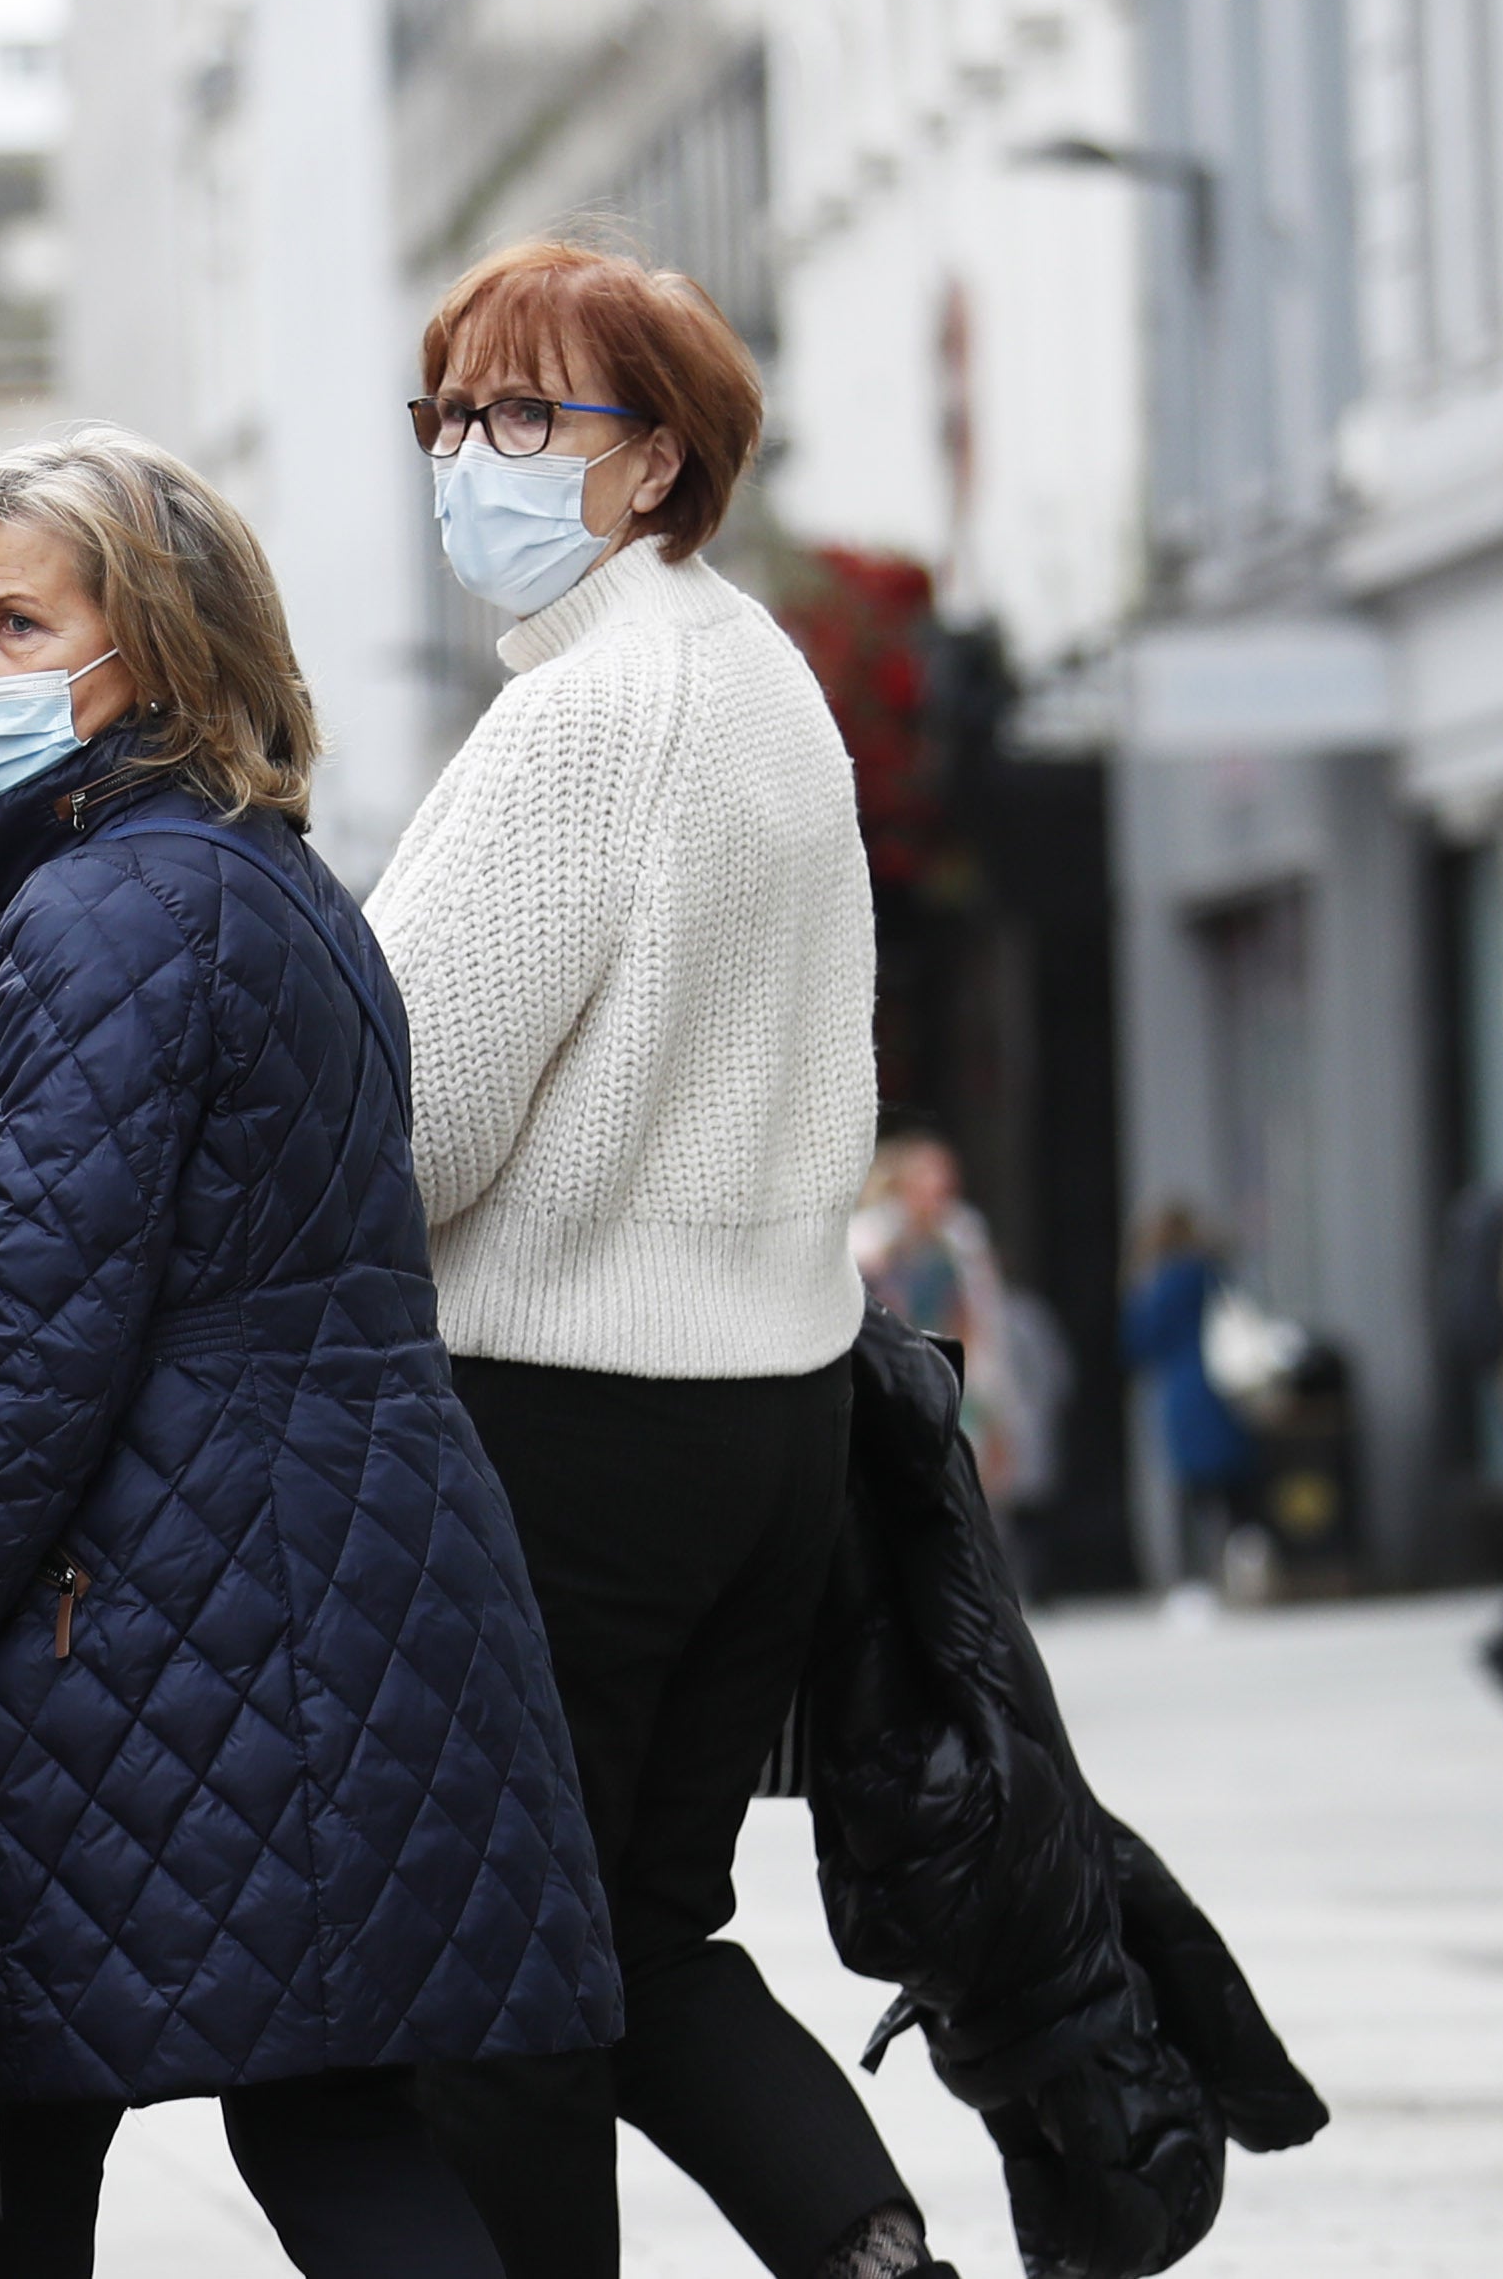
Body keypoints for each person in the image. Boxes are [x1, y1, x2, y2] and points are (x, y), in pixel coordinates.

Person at [0, 424, 613, 2277]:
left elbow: (39, 1344)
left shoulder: (101, 909)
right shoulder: (263, 879)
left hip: (148, 1612)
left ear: (154, 637)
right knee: (314, 2115)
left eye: (13, 622)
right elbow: (218, 1227)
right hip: (304, 1588)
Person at [363, 238, 944, 2279]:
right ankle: (882, 2263)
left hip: (560, 1429)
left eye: (528, 417)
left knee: (493, 1974)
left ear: (651, 462)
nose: (471, 459)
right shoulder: (754, 673)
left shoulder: (580, 718)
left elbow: (410, 1127)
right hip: (763, 1423)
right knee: (639, 1932)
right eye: (448, 414)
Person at [855, 1133, 1068, 1592]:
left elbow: (980, 1316)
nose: (941, 1186)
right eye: (930, 1176)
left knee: (971, 1483)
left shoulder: (962, 1237)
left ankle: (967, 1584)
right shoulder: (873, 1239)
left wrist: (993, 1392)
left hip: (957, 1377)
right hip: (898, 1383)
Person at [1121, 1201, 1255, 1601]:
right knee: (1235, 1491)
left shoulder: (1158, 1284)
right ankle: (1245, 1570)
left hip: (1183, 1392)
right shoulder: (1212, 1272)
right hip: (1227, 1387)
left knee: (1191, 1495)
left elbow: (1137, 1343)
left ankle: (1195, 1581)